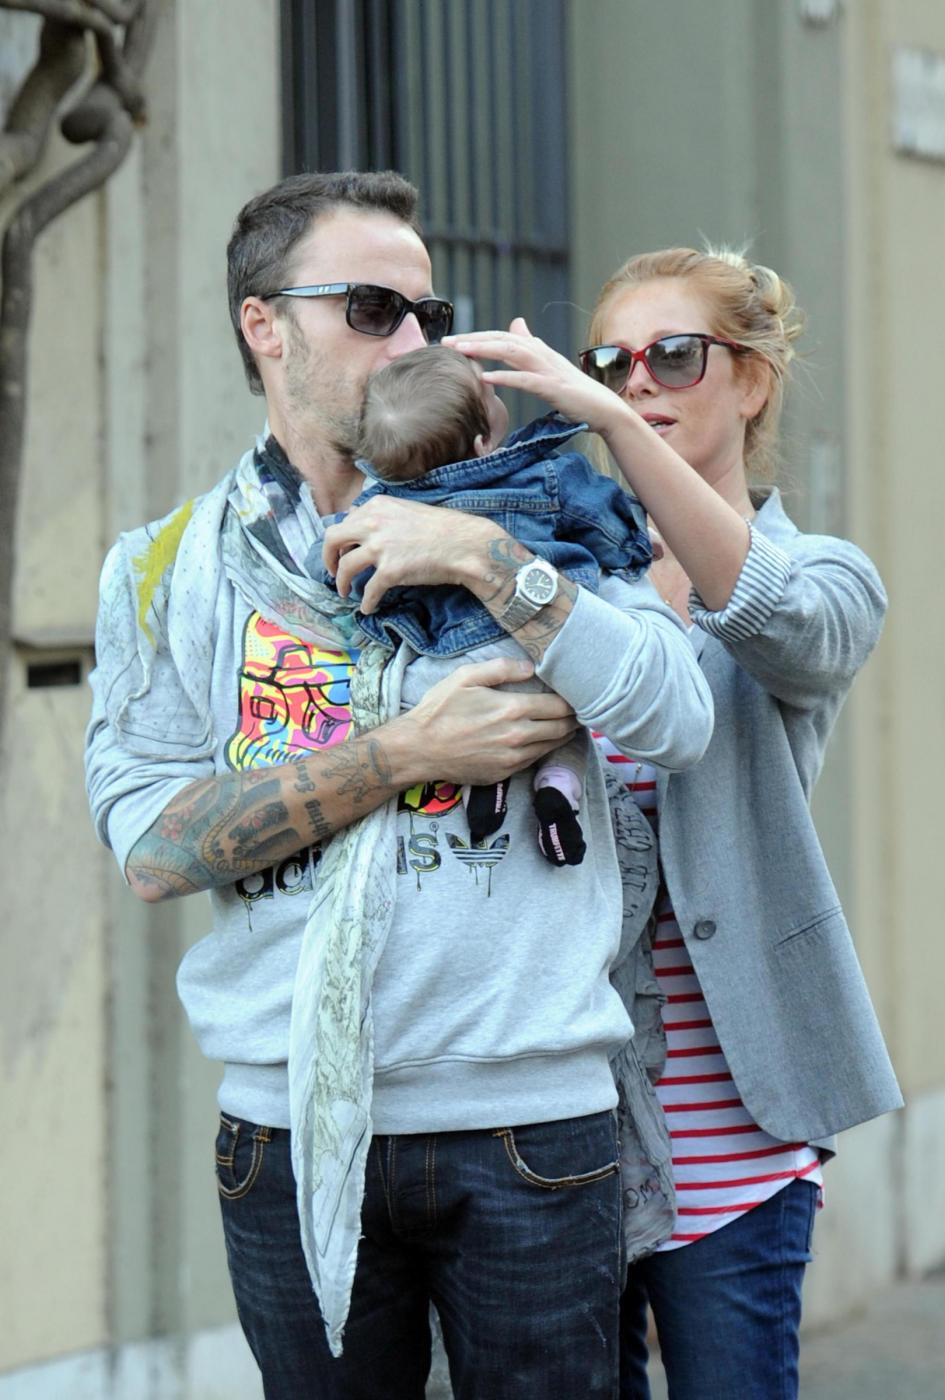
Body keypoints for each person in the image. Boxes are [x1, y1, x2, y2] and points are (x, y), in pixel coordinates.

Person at [84, 171, 714, 1400]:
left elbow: (675, 714)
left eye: (429, 311)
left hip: (529, 1114)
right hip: (292, 1128)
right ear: (265, 325)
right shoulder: (168, 570)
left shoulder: (535, 508)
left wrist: (484, 557)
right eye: (372, 307)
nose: (414, 338)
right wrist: (404, 753)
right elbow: (152, 848)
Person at [443, 245, 903, 1400]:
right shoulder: (569, 578)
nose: (638, 380)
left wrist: (609, 422)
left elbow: (777, 624)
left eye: (675, 355)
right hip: (561, 1127)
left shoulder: (824, 574)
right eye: (613, 361)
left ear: (752, 378)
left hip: (737, 1134)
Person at [333, 342, 655, 867]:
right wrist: (634, 549)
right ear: (484, 443)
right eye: (488, 392)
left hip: (450, 667)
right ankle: (558, 788)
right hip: (538, 645)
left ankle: (489, 784)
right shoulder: (542, 475)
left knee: (450, 713)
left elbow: (338, 559)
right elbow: (600, 516)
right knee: (567, 720)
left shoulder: (384, 510)